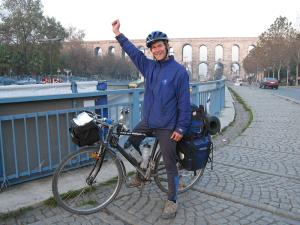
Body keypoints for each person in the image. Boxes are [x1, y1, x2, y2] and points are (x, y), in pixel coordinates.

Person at [112, 19, 191, 219]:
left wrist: (181, 128)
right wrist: (118, 34)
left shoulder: (179, 72)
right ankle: (143, 171)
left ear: (166, 46)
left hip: (167, 126)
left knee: (170, 162)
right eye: (153, 47)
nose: (156, 50)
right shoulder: (148, 67)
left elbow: (184, 103)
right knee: (129, 142)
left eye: (159, 46)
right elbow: (132, 52)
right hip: (149, 121)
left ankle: (172, 200)